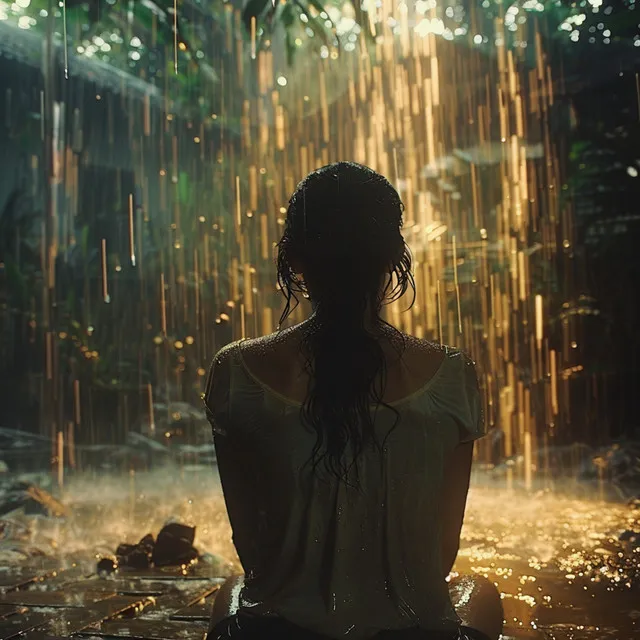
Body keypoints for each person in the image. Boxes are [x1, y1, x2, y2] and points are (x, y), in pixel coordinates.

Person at [203, 162, 503, 640]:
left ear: (295, 260)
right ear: (392, 258)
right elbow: (442, 552)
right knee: (481, 591)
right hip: (414, 633)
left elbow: (254, 549)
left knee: (232, 588)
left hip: (279, 632)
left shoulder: (237, 371)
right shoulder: (452, 374)